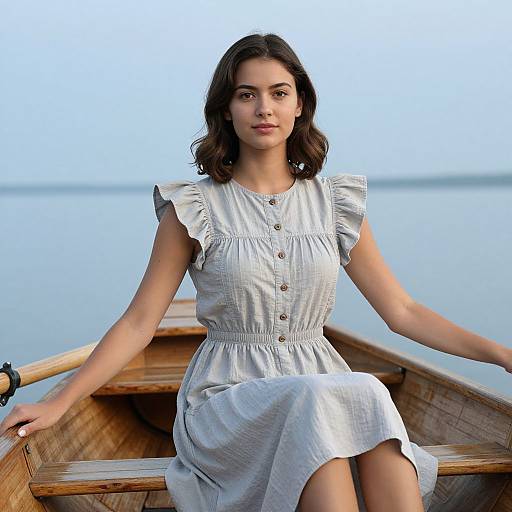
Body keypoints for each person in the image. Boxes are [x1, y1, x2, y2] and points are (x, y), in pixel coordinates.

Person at [1, 32, 510, 512]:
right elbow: (139, 324)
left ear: (300, 104)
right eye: (247, 94)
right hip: (228, 398)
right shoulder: (194, 207)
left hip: (319, 386)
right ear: (227, 107)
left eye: (278, 92)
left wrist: (501, 356)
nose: (264, 108)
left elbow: (402, 311)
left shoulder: (337, 204)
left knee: (362, 391)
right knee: (318, 404)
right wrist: (61, 403)